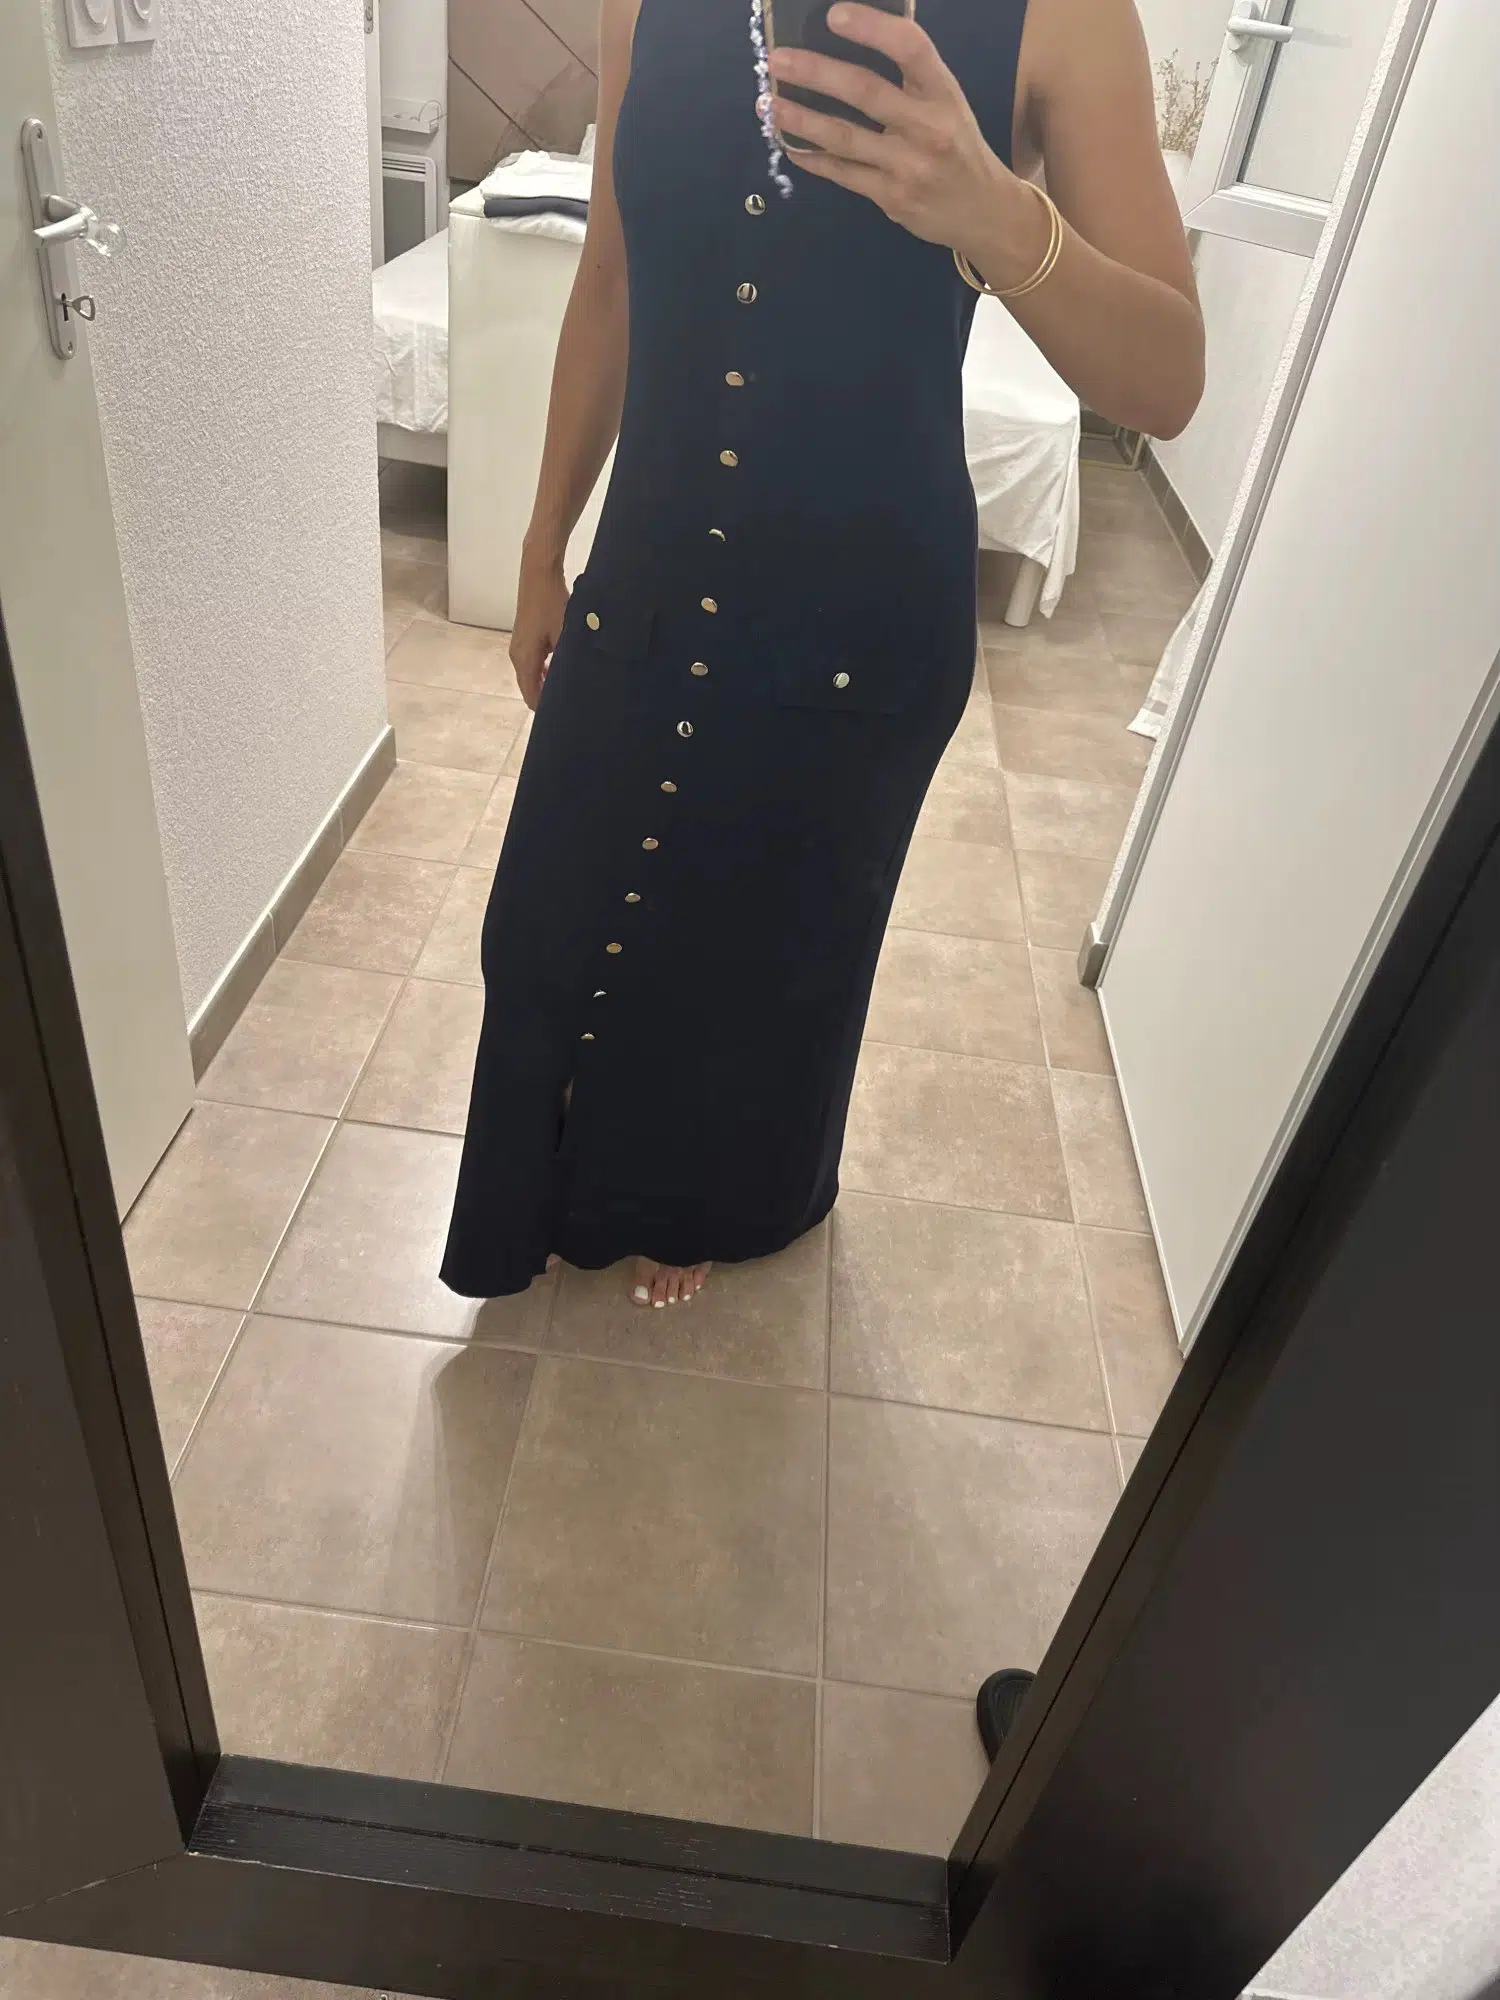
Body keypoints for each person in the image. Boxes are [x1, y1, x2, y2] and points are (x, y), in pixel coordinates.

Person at [440, 0, 1203, 1308]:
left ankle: (700, 1198)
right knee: (544, 935)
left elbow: (1168, 383)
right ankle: (585, 1181)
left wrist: (994, 215)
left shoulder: (1066, 17)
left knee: (762, 954)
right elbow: (612, 278)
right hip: (651, 563)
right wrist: (540, 544)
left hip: (861, 614)